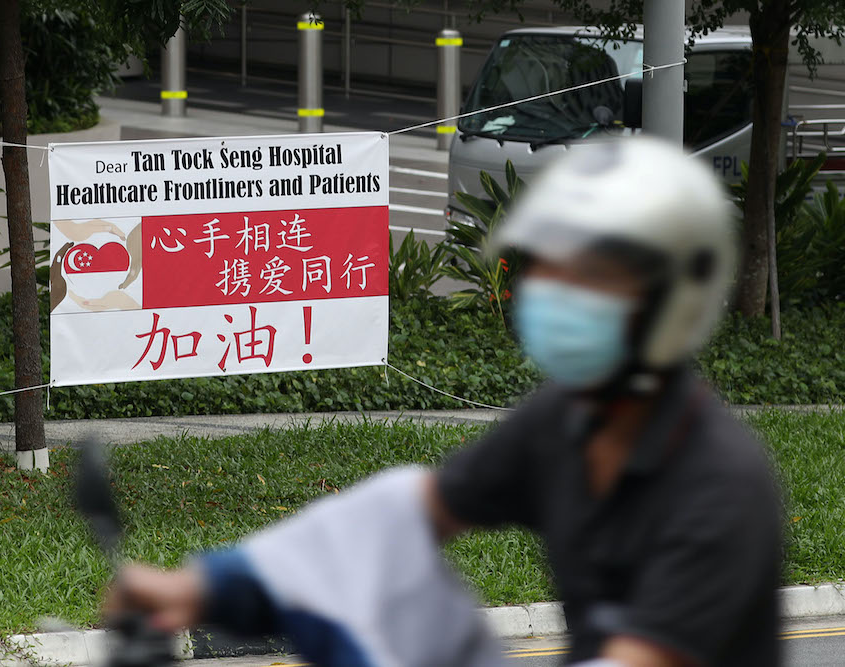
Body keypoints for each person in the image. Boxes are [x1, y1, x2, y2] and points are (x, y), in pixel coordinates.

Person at [104, 137, 783, 667]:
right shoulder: (566, 421)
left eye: (592, 276)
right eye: (549, 269)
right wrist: (202, 585)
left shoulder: (720, 485)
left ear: (669, 298)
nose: (554, 292)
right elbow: (402, 515)